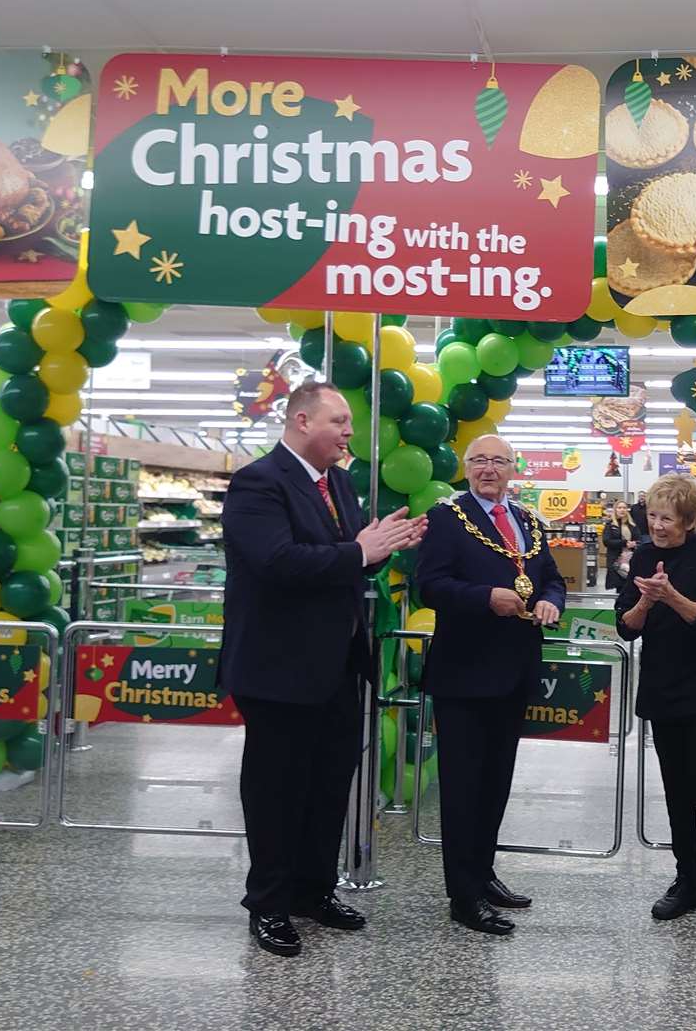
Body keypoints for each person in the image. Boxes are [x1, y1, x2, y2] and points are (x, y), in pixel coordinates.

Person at [220, 381, 426, 958]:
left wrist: (381, 549)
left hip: (336, 662)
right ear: (303, 420)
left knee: (329, 782)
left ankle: (313, 889)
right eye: (339, 422)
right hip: (276, 666)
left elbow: (341, 566)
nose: (348, 433)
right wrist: (361, 551)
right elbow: (276, 562)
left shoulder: (337, 482)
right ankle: (267, 903)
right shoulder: (258, 482)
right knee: (276, 788)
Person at [416, 434, 566, 936]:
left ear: (512, 469)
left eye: (498, 461)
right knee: (462, 789)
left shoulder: (526, 521)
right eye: (479, 460)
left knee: (496, 783)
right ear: (465, 466)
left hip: (515, 669)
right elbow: (430, 584)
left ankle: (483, 873)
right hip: (464, 674)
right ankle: (463, 897)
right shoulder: (447, 517)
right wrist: (485, 598)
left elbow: (552, 578)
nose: (488, 469)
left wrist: (551, 602)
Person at [615, 474, 696, 932]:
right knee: (675, 787)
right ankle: (688, 880)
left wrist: (671, 595)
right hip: (662, 685)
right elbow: (626, 626)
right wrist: (646, 603)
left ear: (689, 519)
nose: (658, 526)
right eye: (652, 516)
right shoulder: (643, 555)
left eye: (667, 517)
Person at [601, 500, 641, 591]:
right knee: (619, 586)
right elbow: (606, 541)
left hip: (631, 560)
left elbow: (639, 540)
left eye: (624, 508)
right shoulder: (610, 525)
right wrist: (624, 543)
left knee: (630, 586)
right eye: (619, 508)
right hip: (616, 561)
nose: (622, 510)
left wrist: (635, 544)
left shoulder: (632, 525)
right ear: (615, 510)